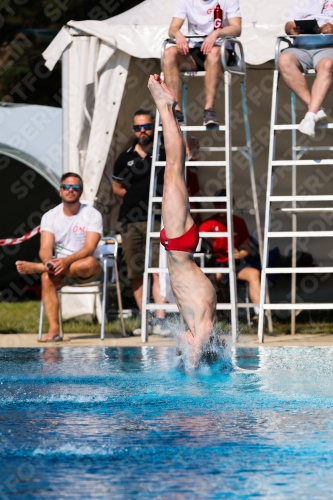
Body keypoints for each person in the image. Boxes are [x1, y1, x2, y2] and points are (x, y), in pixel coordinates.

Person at [147, 74, 217, 367]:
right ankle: (165, 107)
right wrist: (192, 376)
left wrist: (182, 351)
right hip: (179, 243)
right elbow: (195, 353)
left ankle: (166, 108)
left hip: (178, 247)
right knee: (173, 168)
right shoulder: (204, 329)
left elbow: (187, 347)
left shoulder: (195, 327)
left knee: (173, 170)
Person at [15, 173, 103, 342]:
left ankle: (40, 267)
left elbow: (90, 248)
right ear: (60, 191)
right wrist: (48, 262)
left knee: (89, 262)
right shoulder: (50, 216)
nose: (71, 190)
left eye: (75, 187)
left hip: (86, 270)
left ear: (81, 192)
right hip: (59, 270)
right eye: (66, 187)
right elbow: (45, 248)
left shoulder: (92, 214)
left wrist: (65, 261)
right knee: (46, 277)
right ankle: (54, 330)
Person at [112, 109, 168, 335]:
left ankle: (161, 321)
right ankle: (146, 320)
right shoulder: (125, 157)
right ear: (133, 129)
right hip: (131, 221)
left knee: (158, 270)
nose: (142, 130)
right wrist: (133, 199)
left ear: (153, 127)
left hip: (157, 219)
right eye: (138, 127)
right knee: (136, 272)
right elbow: (116, 187)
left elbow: (187, 154)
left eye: (146, 126)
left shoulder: (163, 150)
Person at [163, 0, 241, 126]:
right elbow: (172, 28)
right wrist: (177, 34)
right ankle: (176, 112)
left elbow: (237, 28)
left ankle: (209, 110)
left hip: (220, 50)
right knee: (168, 53)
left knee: (214, 53)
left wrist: (216, 33)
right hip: (194, 52)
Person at [199, 189, 261, 320]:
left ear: (232, 203)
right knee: (212, 278)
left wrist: (240, 254)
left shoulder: (239, 222)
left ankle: (259, 315)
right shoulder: (207, 224)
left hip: (235, 264)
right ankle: (219, 316)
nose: (222, 207)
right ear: (214, 205)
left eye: (224, 203)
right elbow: (200, 251)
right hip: (216, 264)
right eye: (218, 204)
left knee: (254, 273)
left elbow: (248, 249)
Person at [279, 1, 333, 138]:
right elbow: (289, 24)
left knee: (327, 65)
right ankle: (315, 108)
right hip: (301, 46)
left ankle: (310, 115)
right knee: (284, 59)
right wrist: (291, 29)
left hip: (329, 46)